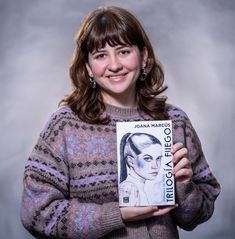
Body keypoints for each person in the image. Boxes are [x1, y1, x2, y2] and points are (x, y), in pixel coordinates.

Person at [20, 6, 220, 239]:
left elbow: (197, 216)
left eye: (124, 51)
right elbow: (36, 213)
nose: (114, 65)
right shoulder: (65, 126)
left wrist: (184, 186)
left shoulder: (174, 121)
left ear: (144, 56)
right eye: (100, 55)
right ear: (88, 68)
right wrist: (117, 215)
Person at [119, 133, 163, 206]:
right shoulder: (129, 188)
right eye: (147, 158)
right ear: (130, 161)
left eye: (158, 158)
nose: (155, 166)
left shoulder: (137, 186)